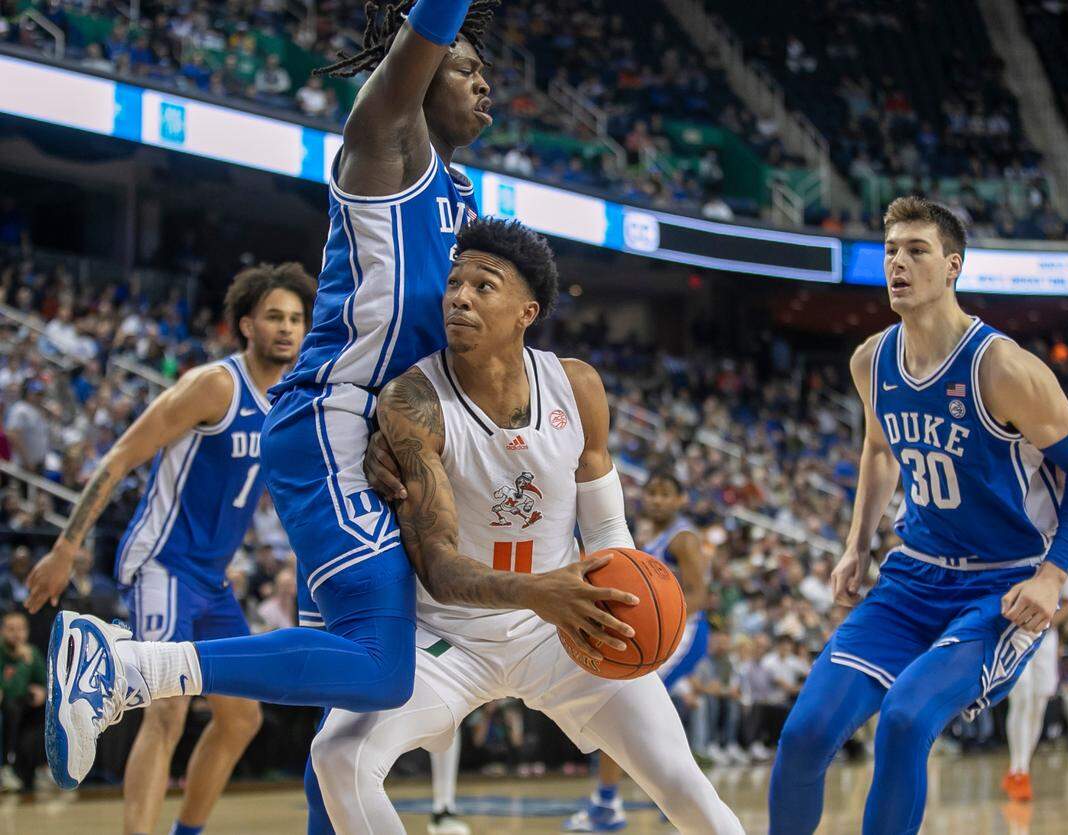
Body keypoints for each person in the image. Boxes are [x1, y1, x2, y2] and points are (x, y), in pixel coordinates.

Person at [43, 3, 631, 806]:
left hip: (385, 434)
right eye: (463, 66)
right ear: (417, 73)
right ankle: (124, 664)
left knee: (346, 715)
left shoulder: (461, 200)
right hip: (332, 418)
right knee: (383, 670)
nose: (485, 80)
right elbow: (417, 47)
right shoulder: (383, 147)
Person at [309, 215, 743, 834]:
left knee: (684, 784)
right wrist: (541, 593)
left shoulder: (578, 386)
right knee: (338, 757)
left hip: (561, 629)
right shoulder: (414, 401)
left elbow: (608, 535)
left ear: (526, 311)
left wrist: (613, 606)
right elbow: (440, 566)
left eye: (484, 286)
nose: (460, 295)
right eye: (454, 283)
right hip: (450, 637)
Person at [768, 196, 1068, 834]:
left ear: (952, 266)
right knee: (806, 733)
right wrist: (856, 546)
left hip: (1000, 586)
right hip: (913, 578)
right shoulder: (871, 360)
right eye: (892, 249)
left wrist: (1053, 574)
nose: (899, 262)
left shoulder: (1002, 367)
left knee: (904, 719)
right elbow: (878, 449)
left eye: (917, 250)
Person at [28, 264, 315, 833]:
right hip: (161, 561)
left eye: (297, 319)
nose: (287, 328)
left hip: (209, 577)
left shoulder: (287, 402)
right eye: (275, 317)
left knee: (241, 720)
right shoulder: (214, 385)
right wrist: (66, 546)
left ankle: (187, 831)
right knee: (167, 707)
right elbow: (121, 457)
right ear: (245, 325)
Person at [564, 470, 711, 831]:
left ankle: (607, 802)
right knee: (637, 709)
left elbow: (699, 594)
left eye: (666, 493)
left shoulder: (684, 539)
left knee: (618, 698)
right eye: (653, 492)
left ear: (680, 500)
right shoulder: (645, 535)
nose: (658, 500)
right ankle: (672, 791)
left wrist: (657, 621)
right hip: (656, 632)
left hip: (684, 631)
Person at [1003, 563, 1068, 801]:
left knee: (1038, 704)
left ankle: (1022, 768)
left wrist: (1044, 619)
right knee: (1022, 696)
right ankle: (1018, 770)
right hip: (1013, 632)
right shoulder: (1017, 538)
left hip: (1046, 637)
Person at [0, 610, 46, 795]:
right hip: (7, 705)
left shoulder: (32, 652)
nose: (17, 634)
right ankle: (6, 768)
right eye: (11, 629)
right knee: (12, 708)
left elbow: (44, 681)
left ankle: (42, 768)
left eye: (20, 629)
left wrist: (42, 691)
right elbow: (10, 689)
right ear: (2, 631)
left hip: (24, 704)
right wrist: (22, 664)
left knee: (47, 710)